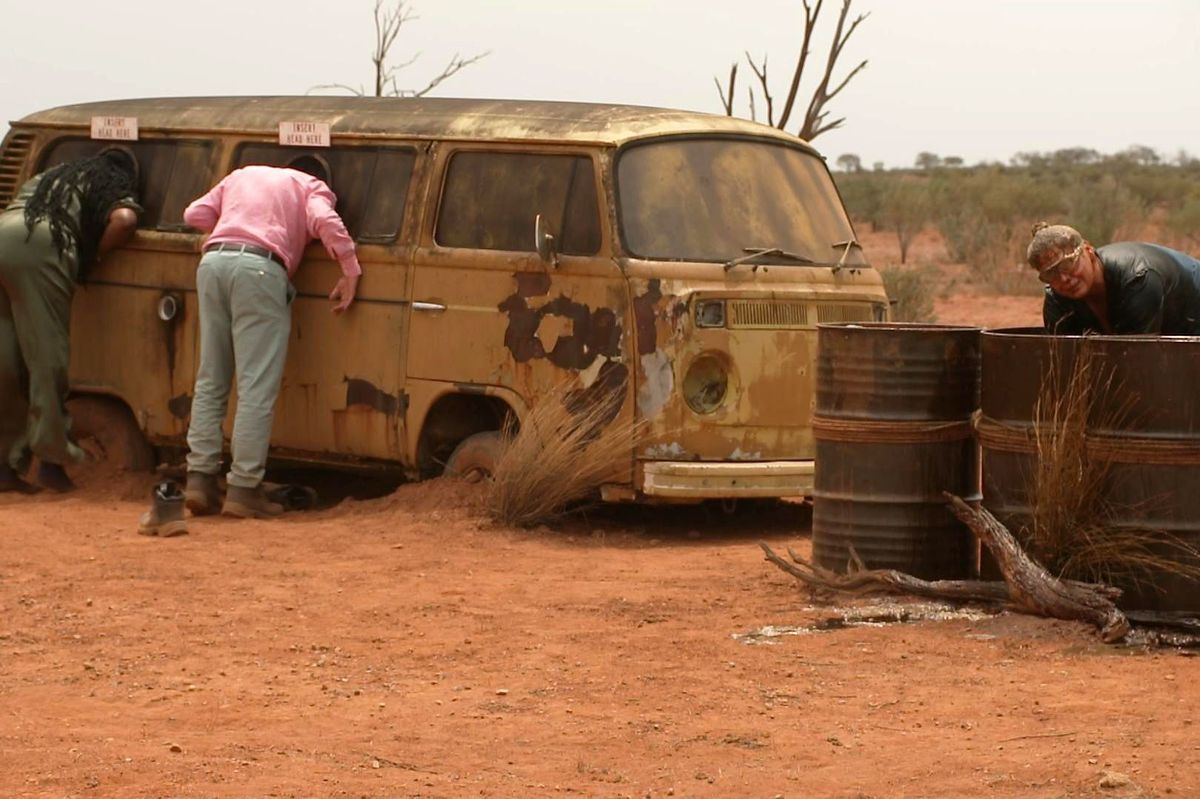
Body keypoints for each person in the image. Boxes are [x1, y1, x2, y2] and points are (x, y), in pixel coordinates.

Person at [181, 156, 361, 519]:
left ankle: (199, 481)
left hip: (213, 264)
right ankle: (243, 489)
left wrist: (231, 229)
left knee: (211, 378)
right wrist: (350, 269)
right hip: (260, 270)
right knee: (255, 388)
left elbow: (193, 215)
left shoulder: (242, 175)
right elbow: (325, 220)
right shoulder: (311, 187)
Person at [0, 149, 141, 493]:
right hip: (44, 242)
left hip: (4, 232)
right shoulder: (109, 182)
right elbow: (124, 220)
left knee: (6, 357)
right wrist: (91, 257)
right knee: (48, 357)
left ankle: (4, 466)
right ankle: (52, 461)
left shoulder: (50, 176)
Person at [1028, 222, 1200, 335]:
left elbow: (1138, 358)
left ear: (1088, 250)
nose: (1064, 278)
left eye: (1068, 265)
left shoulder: (1138, 277)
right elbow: (1062, 361)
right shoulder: (1056, 300)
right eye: (1051, 274)